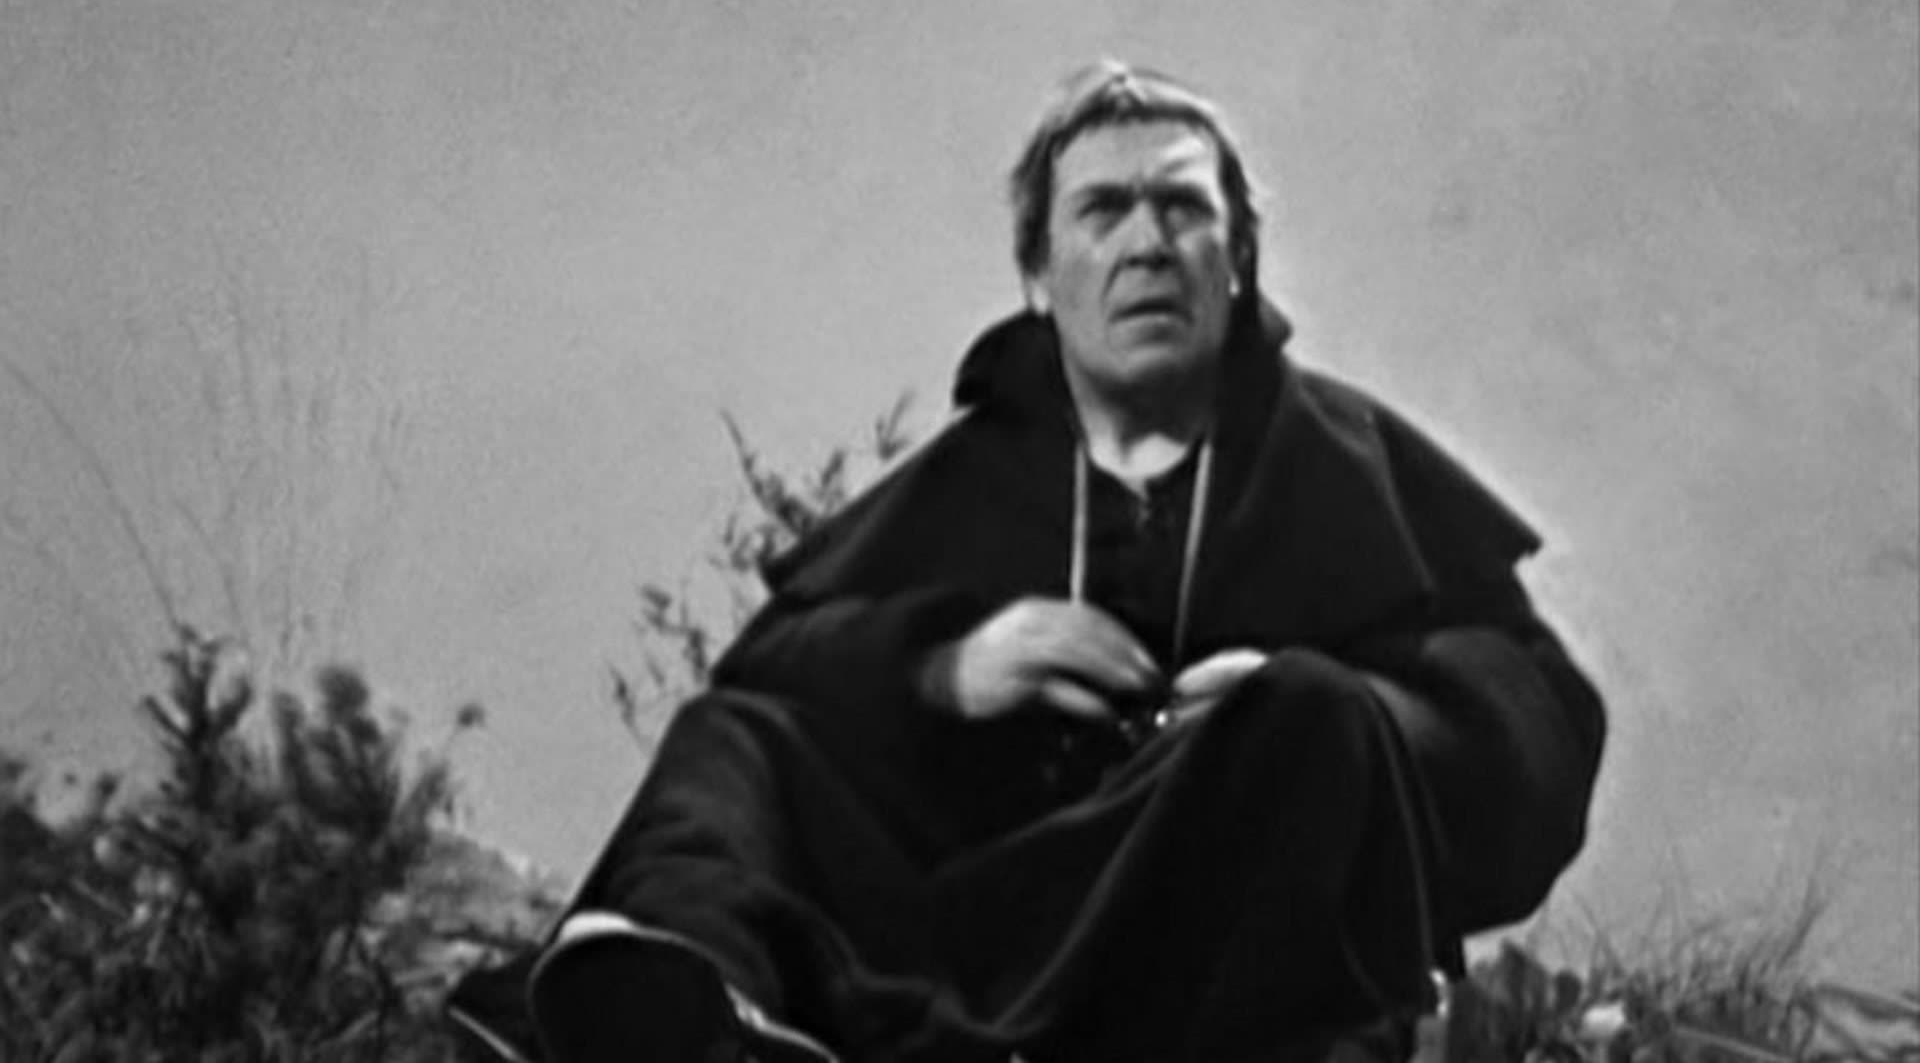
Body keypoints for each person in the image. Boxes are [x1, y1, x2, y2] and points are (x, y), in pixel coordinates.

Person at [466, 61, 1606, 1063]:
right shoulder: (974, 474)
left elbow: (1535, 722)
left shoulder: (1344, 462)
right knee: (736, 734)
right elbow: (777, 669)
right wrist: (947, 667)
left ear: (1240, 259)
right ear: (1041, 271)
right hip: (980, 922)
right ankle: (689, 1006)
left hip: (1219, 949)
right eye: (1104, 211)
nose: (1148, 244)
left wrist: (1326, 719)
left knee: (1311, 712)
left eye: (1183, 209)